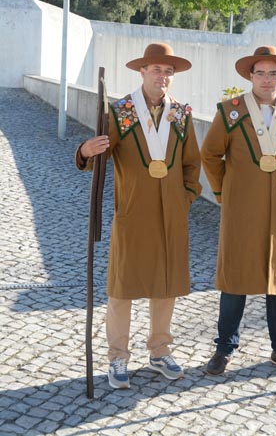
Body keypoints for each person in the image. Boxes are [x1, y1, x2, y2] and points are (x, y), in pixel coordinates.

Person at [76, 43, 202, 389]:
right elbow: (100, 155)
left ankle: (160, 350)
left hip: (171, 214)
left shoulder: (181, 114)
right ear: (142, 71)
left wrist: (185, 198)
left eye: (168, 71)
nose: (163, 76)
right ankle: (117, 356)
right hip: (133, 212)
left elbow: (192, 163)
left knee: (165, 285)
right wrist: (85, 151)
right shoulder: (121, 112)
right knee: (123, 286)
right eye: (156, 69)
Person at [201, 45, 276, 378]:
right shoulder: (231, 112)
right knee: (235, 279)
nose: (267, 80)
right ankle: (224, 347)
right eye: (260, 73)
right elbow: (210, 155)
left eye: (273, 73)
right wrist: (225, 193)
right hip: (241, 211)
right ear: (250, 76)